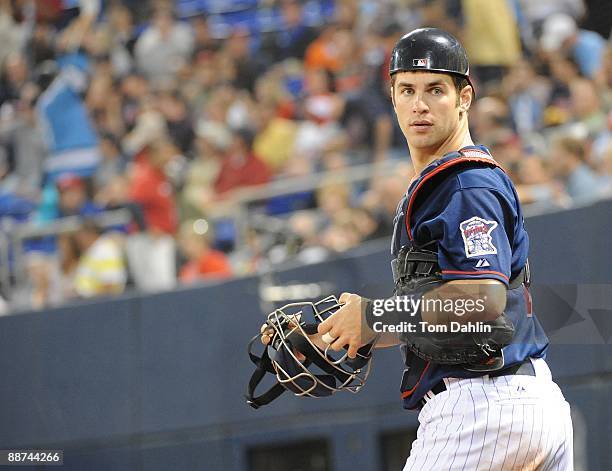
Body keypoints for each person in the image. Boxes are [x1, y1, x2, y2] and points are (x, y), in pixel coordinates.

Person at [262, 28, 573, 469]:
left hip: (483, 411)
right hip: (518, 403)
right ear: (392, 97)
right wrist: (345, 330)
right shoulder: (445, 182)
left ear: (464, 96)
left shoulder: (465, 183)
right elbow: (449, 315)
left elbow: (482, 302)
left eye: (435, 90)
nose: (419, 104)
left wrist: (373, 314)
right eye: (407, 89)